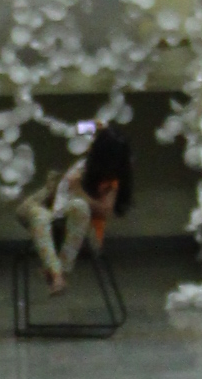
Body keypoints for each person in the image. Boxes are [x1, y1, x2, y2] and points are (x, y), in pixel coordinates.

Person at [19, 125, 135, 293]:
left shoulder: (109, 180)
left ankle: (59, 271)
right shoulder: (84, 165)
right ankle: (56, 274)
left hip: (79, 229)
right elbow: (83, 126)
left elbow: (105, 211)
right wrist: (85, 127)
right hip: (55, 217)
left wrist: (80, 191)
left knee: (79, 206)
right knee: (38, 215)